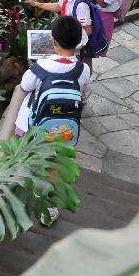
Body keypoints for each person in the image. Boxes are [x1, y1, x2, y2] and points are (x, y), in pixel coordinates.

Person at [12, 15, 90, 227]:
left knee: (24, 159)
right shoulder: (83, 70)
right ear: (78, 42)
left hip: (31, 128)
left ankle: (19, 196)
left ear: (53, 41)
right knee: (54, 166)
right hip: (63, 131)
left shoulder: (40, 67)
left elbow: (25, 87)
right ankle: (48, 207)